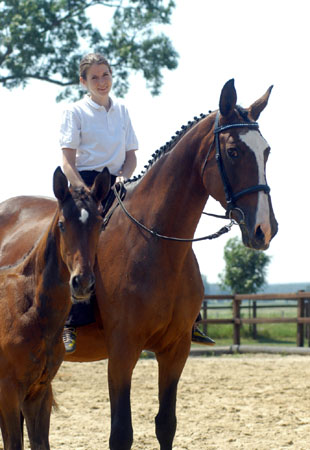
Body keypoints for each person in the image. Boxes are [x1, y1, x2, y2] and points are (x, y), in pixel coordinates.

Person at [59, 52, 213, 353]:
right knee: (86, 245)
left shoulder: (122, 111)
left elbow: (131, 156)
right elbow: (66, 161)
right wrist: (84, 191)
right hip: (85, 186)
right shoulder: (75, 112)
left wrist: (123, 178)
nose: (102, 82)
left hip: (118, 182)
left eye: (105, 75)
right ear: (83, 82)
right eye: (94, 77)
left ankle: (188, 316)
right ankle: (71, 321)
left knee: (166, 228)